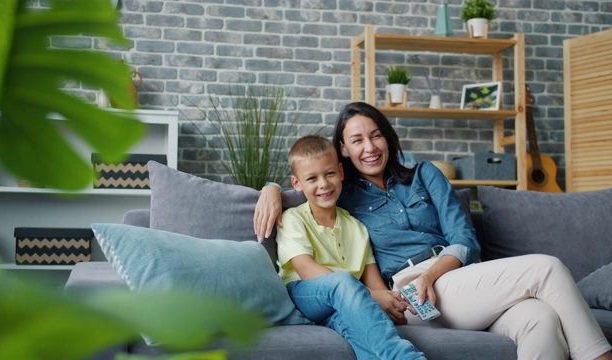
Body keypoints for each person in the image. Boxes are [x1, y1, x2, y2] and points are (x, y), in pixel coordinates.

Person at [255, 102, 612, 360]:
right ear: (344, 152)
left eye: (376, 135)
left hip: (458, 278)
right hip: (410, 293)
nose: (369, 147)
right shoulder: (343, 193)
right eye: (357, 140)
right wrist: (270, 188)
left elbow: (465, 240)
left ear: (389, 138)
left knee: (541, 320)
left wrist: (434, 273)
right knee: (545, 267)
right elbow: (308, 181)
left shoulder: (426, 175)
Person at [276, 134, 425, 360]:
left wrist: (390, 301)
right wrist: (372, 296)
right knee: (344, 282)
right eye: (312, 178)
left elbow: (374, 284)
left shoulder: (357, 227)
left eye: (329, 174)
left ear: (341, 172)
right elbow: (306, 270)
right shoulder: (293, 219)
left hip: (345, 307)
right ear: (297, 184)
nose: (324, 184)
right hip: (306, 296)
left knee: (363, 338)